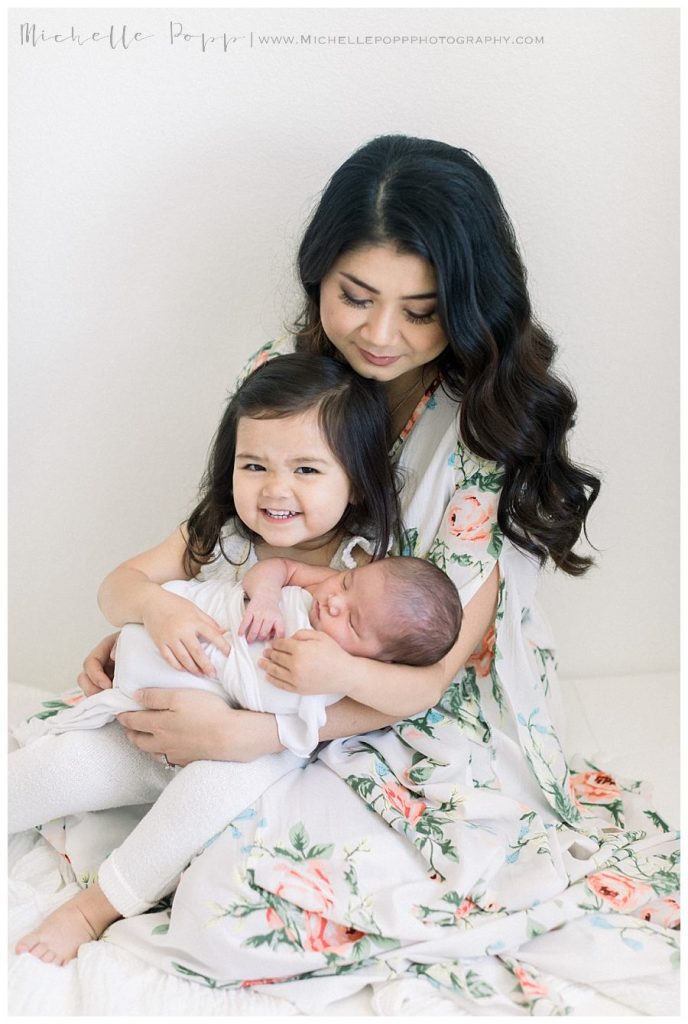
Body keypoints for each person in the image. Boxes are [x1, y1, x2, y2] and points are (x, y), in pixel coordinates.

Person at [26, 136, 678, 1011]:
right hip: (261, 663)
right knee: (80, 767)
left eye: (422, 309)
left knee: (234, 904)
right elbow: (200, 538)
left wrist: (262, 736)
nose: (381, 334)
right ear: (318, 278)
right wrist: (158, 614)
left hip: (387, 702)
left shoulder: (480, 428)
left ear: (469, 303)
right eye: (356, 297)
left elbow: (439, 675)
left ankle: (109, 900)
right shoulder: (291, 376)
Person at [11, 353, 459, 965]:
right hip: (152, 726)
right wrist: (152, 605)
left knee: (207, 800)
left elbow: (412, 690)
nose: (276, 490)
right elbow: (114, 588)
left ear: (355, 477)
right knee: (55, 770)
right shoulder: (218, 535)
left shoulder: (363, 577)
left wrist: (340, 674)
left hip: (253, 751)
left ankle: (96, 907)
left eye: (306, 468)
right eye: (254, 465)